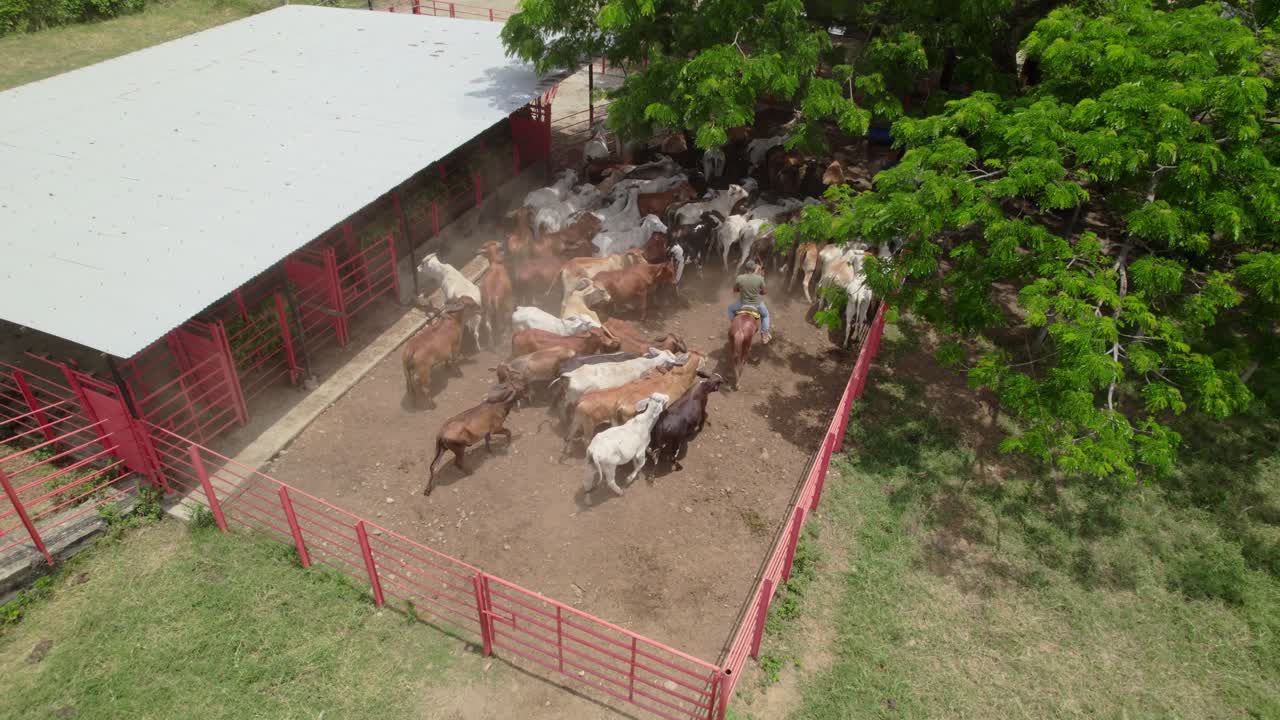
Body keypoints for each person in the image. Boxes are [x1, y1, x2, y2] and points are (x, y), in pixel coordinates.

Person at [728, 261, 771, 344]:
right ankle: (764, 334)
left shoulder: (740, 278)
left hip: (742, 304)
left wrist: (741, 289)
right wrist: (759, 292)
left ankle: (734, 325)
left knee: (730, 309)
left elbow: (735, 290)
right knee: (766, 315)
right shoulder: (760, 278)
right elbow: (764, 292)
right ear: (754, 269)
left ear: (745, 269)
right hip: (757, 304)